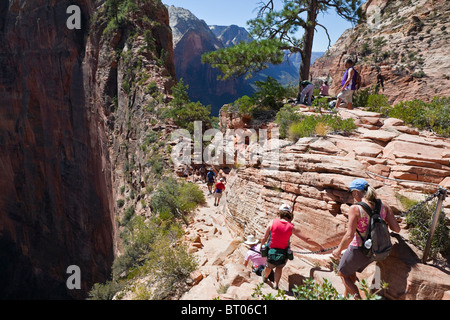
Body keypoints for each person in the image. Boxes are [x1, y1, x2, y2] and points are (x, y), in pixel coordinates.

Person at [332, 178, 400, 299]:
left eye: (351, 192)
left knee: (343, 274)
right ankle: (346, 296)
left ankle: (357, 298)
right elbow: (397, 229)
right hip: (377, 249)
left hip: (358, 249)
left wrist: (338, 250)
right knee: (350, 269)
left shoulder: (355, 208)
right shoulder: (383, 205)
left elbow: (349, 235)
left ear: (356, 192)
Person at [261, 204, 324, 290]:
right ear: (289, 214)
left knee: (268, 266)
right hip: (283, 252)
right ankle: (276, 284)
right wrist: (319, 246)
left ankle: (265, 277)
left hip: (271, 250)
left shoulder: (272, 222)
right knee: (279, 267)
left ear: (280, 213)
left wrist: (261, 246)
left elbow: (264, 237)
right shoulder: (291, 227)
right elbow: (307, 239)